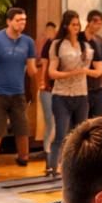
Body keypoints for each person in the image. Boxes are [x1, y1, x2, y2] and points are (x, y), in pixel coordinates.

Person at [0, 6, 37, 180]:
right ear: (9, 21)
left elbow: (31, 69)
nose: (22, 23)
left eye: (24, 20)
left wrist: (38, 86)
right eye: (18, 20)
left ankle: (23, 158)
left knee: (22, 128)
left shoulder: (28, 42)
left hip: (18, 92)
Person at [43, 11, 94, 179]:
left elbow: (92, 68)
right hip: (62, 94)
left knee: (80, 135)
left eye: (78, 24)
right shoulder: (57, 45)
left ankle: (76, 168)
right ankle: (52, 167)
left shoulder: (84, 46)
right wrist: (73, 72)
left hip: (81, 94)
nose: (76, 27)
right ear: (66, 26)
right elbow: (52, 73)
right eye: (73, 24)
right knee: (61, 133)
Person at [36, 20, 59, 164]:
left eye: (52, 30)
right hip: (48, 88)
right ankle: (47, 150)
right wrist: (42, 82)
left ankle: (56, 151)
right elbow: (44, 66)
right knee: (50, 121)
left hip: (60, 88)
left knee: (59, 122)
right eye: (47, 30)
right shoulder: (46, 45)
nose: (49, 33)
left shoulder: (59, 44)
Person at [84, 10, 102, 118]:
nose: (98, 26)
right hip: (83, 88)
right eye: (96, 22)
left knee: (100, 122)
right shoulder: (79, 39)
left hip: (99, 87)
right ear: (89, 22)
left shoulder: (101, 42)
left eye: (100, 23)